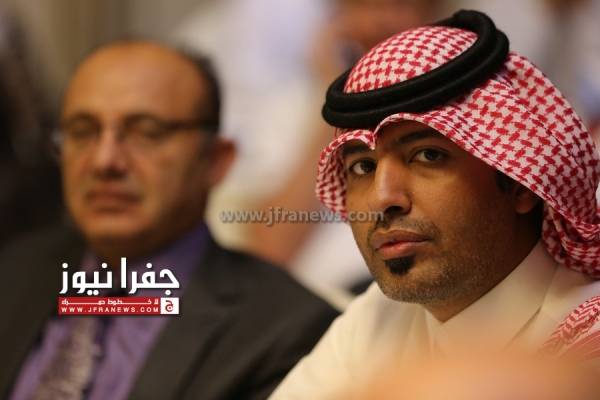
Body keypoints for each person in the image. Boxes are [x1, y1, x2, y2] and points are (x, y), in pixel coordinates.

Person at [270, 10, 600, 399]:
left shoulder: (586, 338)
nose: (382, 198)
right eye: (362, 166)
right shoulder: (377, 317)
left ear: (519, 184)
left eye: (427, 156)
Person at [0, 40, 338, 400]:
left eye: (147, 132)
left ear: (216, 160)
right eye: (82, 131)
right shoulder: (14, 269)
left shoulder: (285, 332)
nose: (104, 161)